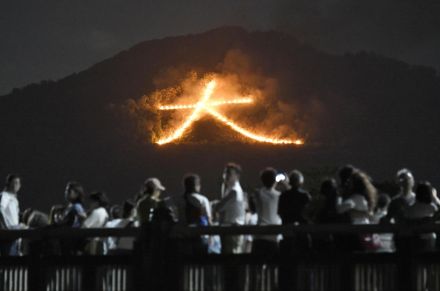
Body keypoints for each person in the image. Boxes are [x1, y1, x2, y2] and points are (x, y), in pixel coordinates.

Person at [336, 170, 379, 250]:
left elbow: (339, 209)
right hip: (364, 230)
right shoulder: (364, 198)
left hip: (357, 233)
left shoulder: (355, 198)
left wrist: (339, 196)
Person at [213, 162, 246, 254]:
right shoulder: (230, 190)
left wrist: (215, 205)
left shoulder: (234, 192)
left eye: (229, 173)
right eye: (225, 173)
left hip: (232, 229)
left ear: (237, 176)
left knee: (231, 257)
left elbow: (218, 208)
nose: (225, 176)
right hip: (230, 228)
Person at [252, 167, 282, 255]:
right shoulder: (279, 195)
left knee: (257, 264)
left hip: (259, 234)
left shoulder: (257, 193)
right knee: (273, 263)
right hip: (273, 235)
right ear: (274, 180)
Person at [404, 181, 438, 251]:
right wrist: (435, 198)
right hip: (429, 240)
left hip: (414, 239)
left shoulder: (410, 208)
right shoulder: (432, 207)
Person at [0, 174, 24, 256]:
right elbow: (0, 209)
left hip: (15, 235)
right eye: (15, 182)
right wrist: (6, 226)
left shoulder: (14, 199)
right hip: (9, 234)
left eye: (19, 183)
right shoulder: (5, 195)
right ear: (9, 183)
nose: (18, 185)